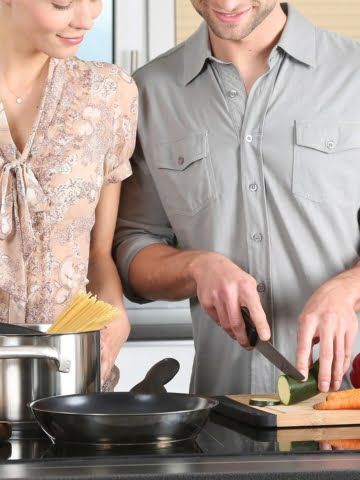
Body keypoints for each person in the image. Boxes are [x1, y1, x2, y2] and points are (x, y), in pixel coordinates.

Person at [114, 0, 360, 396]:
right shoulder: (149, 92)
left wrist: (350, 288)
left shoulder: (354, 74)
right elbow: (131, 250)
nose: (227, 4)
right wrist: (197, 266)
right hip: (223, 418)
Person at [0, 0, 138, 387]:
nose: (86, 19)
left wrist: (113, 309)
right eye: (62, 2)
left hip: (69, 380)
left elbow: (98, 254)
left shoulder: (110, 95)